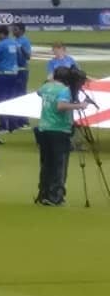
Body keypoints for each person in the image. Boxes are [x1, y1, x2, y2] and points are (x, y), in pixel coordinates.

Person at [35, 67, 88, 206]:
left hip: (44, 128)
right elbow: (60, 106)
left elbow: (38, 92)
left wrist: (50, 80)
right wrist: (79, 106)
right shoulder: (64, 91)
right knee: (59, 164)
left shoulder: (46, 87)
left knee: (47, 163)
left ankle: (44, 193)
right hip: (59, 130)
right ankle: (55, 196)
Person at [0, 25, 20, 132]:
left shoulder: (0, 45)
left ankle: (3, 125)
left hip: (2, 74)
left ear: (1, 34)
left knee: (1, 99)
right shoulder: (14, 43)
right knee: (11, 99)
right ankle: (13, 124)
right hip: (13, 74)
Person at [12, 22, 33, 128]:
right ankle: (17, 118)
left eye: (15, 29)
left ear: (21, 30)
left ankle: (24, 119)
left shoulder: (25, 41)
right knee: (15, 94)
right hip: (14, 71)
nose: (13, 31)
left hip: (22, 70)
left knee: (21, 94)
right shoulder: (13, 41)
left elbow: (28, 56)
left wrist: (21, 49)